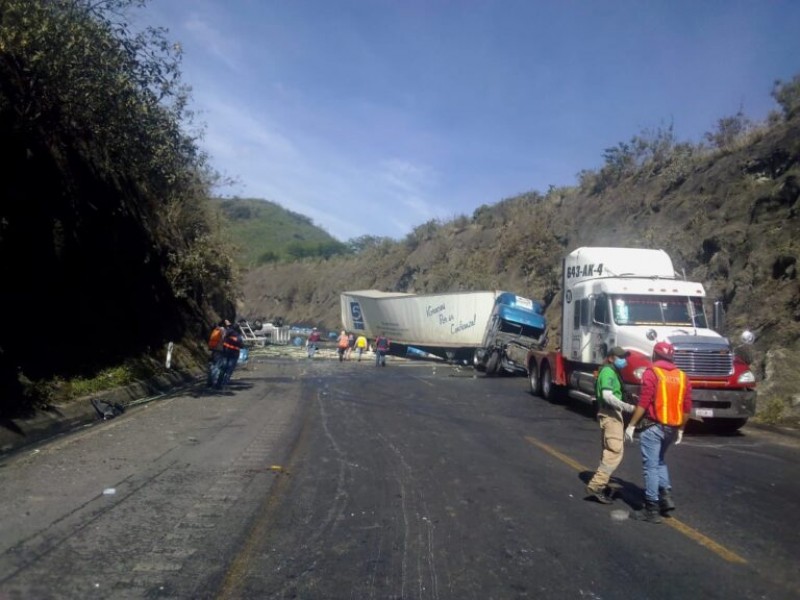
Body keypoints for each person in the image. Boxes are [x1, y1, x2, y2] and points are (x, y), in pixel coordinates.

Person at [625, 341, 692, 523]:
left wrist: (631, 424)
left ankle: (651, 508)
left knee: (651, 467)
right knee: (660, 460)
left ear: (655, 355)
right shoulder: (682, 376)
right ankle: (665, 496)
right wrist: (681, 429)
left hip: (654, 426)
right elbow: (687, 407)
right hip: (672, 427)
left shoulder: (652, 372)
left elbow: (644, 402)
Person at [585, 346, 635, 504]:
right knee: (614, 451)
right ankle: (596, 485)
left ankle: (601, 483)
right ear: (612, 358)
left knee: (609, 451)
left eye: (625, 357)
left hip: (612, 414)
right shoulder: (608, 372)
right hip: (611, 414)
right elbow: (607, 395)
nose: (624, 360)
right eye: (621, 357)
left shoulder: (612, 371)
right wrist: (626, 407)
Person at [217, 323, 244, 388]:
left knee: (223, 368)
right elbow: (241, 345)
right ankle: (224, 384)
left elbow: (222, 340)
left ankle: (218, 383)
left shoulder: (227, 334)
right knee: (229, 370)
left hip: (225, 352)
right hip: (234, 354)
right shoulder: (238, 336)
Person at [206, 319, 230, 387]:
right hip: (220, 350)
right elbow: (225, 340)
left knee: (213, 366)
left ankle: (210, 382)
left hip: (213, 349)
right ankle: (215, 382)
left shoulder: (215, 330)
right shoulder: (223, 330)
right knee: (218, 366)